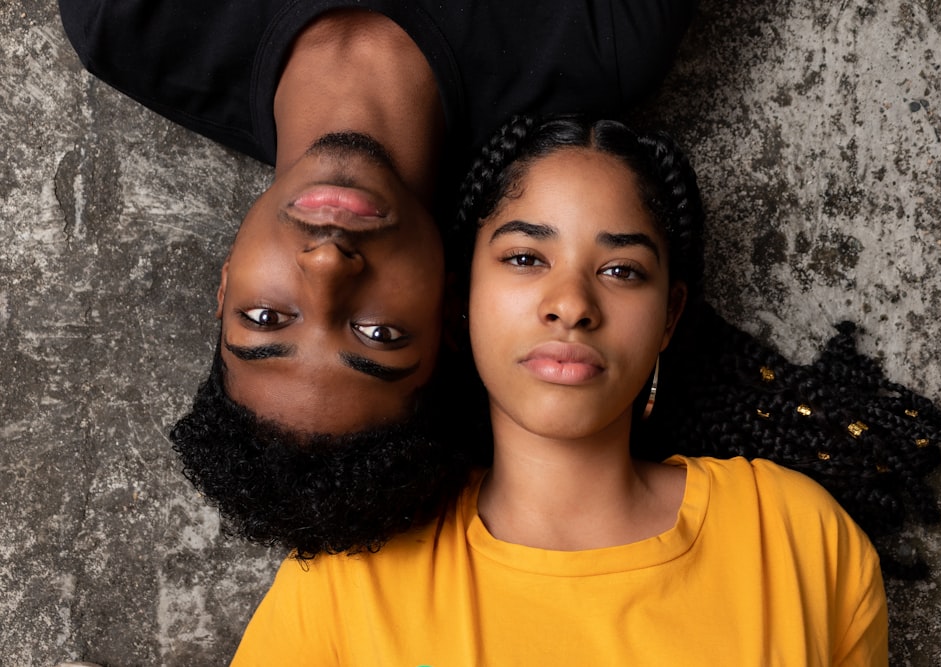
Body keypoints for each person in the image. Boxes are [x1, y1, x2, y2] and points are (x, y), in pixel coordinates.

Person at [228, 117, 890, 665]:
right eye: (524, 258)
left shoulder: (796, 538)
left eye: (621, 270)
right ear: (459, 301)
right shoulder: (350, 577)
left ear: (670, 316)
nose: (571, 303)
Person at [58, 1, 698, 545]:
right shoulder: (605, 36)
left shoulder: (127, 20)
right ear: (453, 313)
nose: (328, 264)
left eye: (266, 318)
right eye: (377, 334)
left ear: (224, 287)